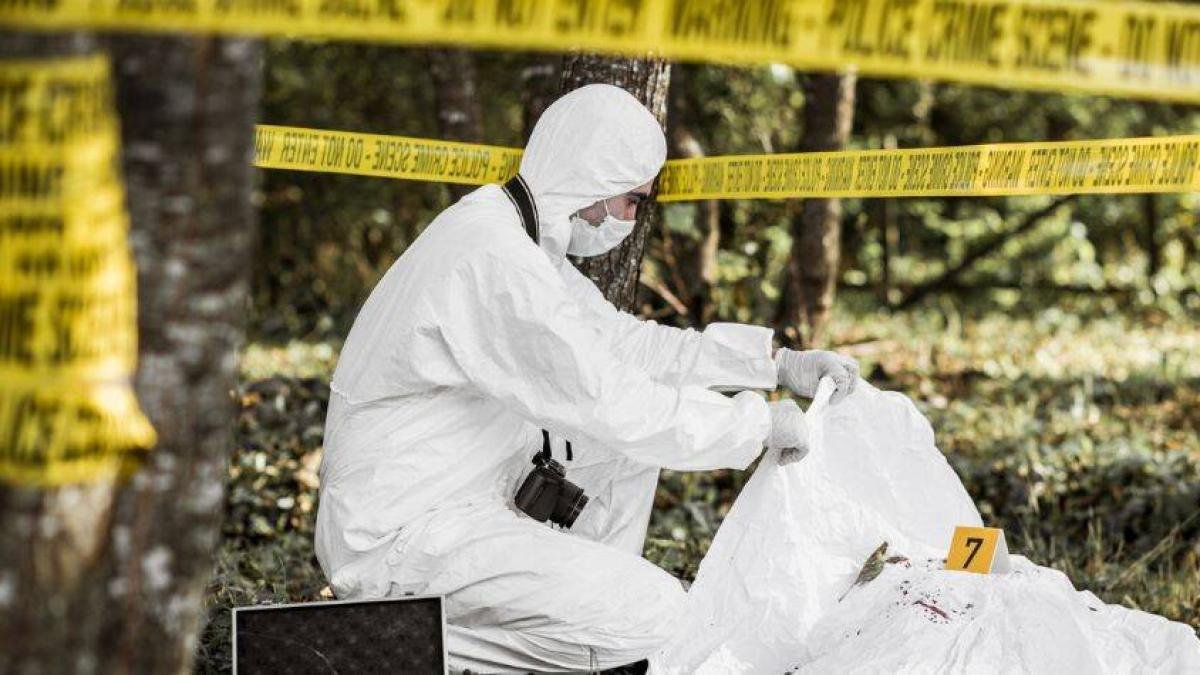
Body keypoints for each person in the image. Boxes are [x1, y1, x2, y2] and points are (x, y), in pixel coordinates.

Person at [314, 84, 860, 673]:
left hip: (446, 498)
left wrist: (776, 365)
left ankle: (579, 624)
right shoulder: (495, 262)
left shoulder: (511, 237)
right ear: (592, 180)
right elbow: (611, 400)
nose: (630, 217)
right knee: (658, 614)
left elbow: (626, 344)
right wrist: (753, 427)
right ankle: (386, 652)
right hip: (401, 539)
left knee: (621, 457)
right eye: (632, 199)